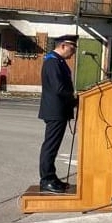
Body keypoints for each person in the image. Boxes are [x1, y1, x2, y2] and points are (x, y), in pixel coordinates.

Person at [37, 34, 78, 194]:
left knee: (53, 146)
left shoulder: (58, 61)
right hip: (55, 110)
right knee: (50, 146)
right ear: (63, 46)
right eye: (72, 48)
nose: (73, 52)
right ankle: (46, 180)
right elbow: (58, 88)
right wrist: (74, 98)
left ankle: (51, 177)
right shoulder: (52, 62)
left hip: (59, 110)